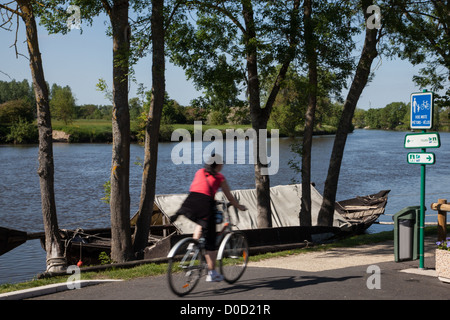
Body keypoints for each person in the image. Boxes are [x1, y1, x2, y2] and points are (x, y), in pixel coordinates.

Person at [171, 154, 247, 282]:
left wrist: (211, 198)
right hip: (205, 206)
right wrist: (239, 207)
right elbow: (230, 198)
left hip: (189, 203)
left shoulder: (200, 171)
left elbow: (201, 189)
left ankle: (193, 244)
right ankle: (212, 273)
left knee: (201, 222)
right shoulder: (220, 177)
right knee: (211, 242)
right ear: (218, 164)